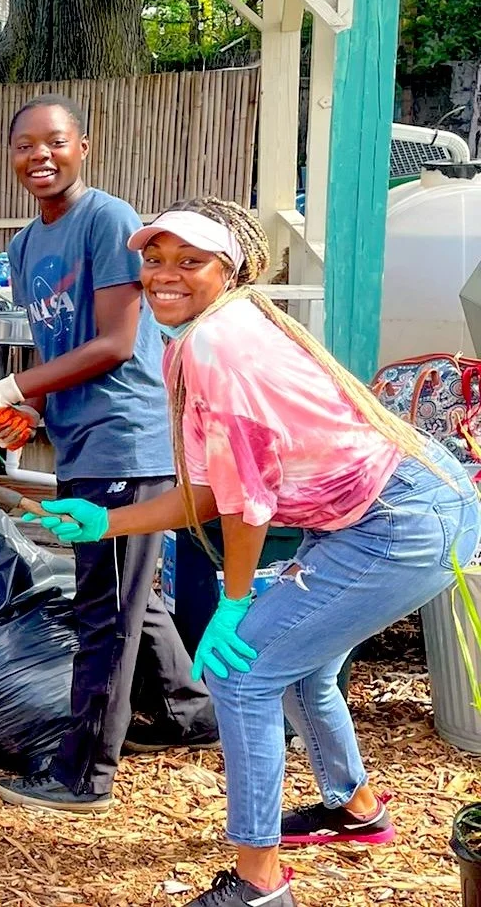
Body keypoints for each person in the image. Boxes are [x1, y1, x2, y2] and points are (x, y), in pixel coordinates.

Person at [27, 198, 481, 907]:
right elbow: (212, 492)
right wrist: (106, 521)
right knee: (298, 668)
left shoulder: (215, 346)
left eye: (190, 262)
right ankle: (352, 809)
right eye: (154, 260)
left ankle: (259, 886)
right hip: (412, 504)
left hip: (398, 522)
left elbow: (246, 507)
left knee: (244, 678)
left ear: (228, 271)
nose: (164, 276)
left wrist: (232, 607)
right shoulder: (209, 332)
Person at [0, 95, 216, 813]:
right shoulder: (23, 247)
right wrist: (29, 407)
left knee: (105, 608)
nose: (40, 156)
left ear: (85, 148)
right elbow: (61, 349)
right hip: (82, 438)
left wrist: (3, 383)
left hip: (128, 439)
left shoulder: (109, 219)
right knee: (136, 595)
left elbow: (116, 344)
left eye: (55, 142)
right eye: (25, 146)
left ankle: (85, 773)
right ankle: (197, 719)